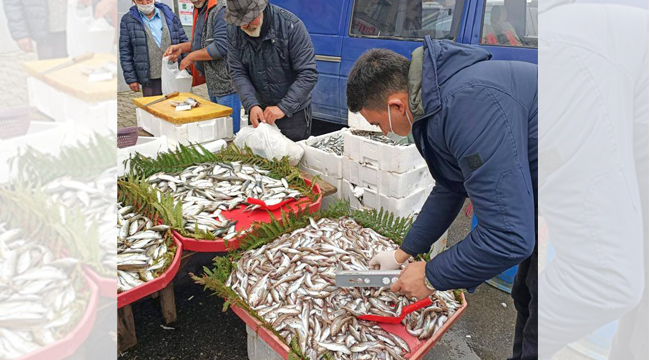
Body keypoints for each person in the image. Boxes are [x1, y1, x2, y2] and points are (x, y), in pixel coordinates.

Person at [348, 39, 537, 359]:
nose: (382, 133)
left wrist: (432, 276)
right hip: (546, 180)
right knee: (526, 294)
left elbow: (509, 237)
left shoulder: (469, 106)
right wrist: (401, 253)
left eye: (378, 123)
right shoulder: (434, 104)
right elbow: (450, 186)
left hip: (588, 189)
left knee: (547, 316)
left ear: (396, 105)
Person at [223, 0, 318, 141]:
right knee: (260, 158)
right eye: (239, 22)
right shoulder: (233, 30)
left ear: (260, 8)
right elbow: (238, 71)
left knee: (293, 158)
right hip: (259, 111)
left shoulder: (290, 25)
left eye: (248, 20)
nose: (244, 25)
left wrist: (283, 108)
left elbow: (308, 74)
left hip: (293, 113)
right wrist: (251, 104)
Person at [163, 0, 242, 134]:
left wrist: (191, 57)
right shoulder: (199, 8)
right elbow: (201, 42)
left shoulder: (221, 9)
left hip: (227, 83)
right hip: (213, 81)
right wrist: (181, 48)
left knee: (229, 131)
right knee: (219, 128)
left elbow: (220, 47)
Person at [119, 0, 188, 96]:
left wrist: (187, 67)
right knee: (154, 107)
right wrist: (131, 78)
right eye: (140, 0)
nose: (145, 3)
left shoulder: (169, 15)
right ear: (134, 1)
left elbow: (183, 41)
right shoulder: (128, 20)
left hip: (174, 72)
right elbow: (125, 52)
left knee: (178, 105)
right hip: (150, 78)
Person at [3, 0, 68, 59]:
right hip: (47, 33)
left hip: (75, 26)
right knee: (51, 68)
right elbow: (12, 4)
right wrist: (20, 33)